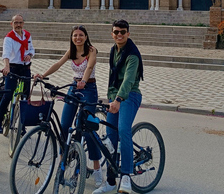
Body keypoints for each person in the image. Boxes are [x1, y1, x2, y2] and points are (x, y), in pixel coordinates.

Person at [35, 25, 103, 187]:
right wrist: (43, 75)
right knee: (64, 125)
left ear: (86, 37)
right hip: (74, 87)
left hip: (89, 89)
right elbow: (58, 64)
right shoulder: (71, 51)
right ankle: (62, 161)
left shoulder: (91, 50)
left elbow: (89, 67)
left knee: (88, 131)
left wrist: (84, 81)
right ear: (72, 38)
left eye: (81, 35)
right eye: (75, 35)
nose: (78, 38)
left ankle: (97, 168)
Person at [93, 19, 144, 194]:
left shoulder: (132, 54)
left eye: (123, 32)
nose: (119, 35)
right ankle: (110, 180)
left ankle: (126, 177)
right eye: (116, 32)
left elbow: (129, 80)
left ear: (128, 34)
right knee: (111, 138)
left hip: (130, 95)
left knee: (123, 131)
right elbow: (112, 78)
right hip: (115, 97)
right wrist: (110, 99)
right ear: (112, 34)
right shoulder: (114, 50)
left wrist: (118, 99)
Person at [0, 14, 35, 134]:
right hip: (12, 67)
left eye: (20, 22)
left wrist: (30, 55)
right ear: (11, 24)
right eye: (16, 22)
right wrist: (6, 66)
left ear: (23, 23)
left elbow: (32, 49)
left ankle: (22, 124)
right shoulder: (9, 38)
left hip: (25, 68)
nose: (18, 25)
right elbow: (6, 53)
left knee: (25, 97)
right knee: (8, 94)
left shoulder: (27, 35)